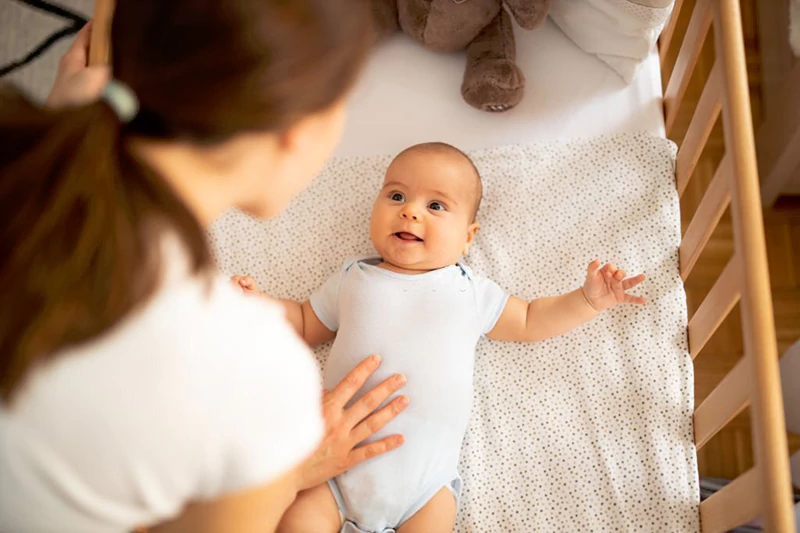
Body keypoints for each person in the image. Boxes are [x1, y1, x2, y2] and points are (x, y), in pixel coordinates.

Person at [0, 3, 411, 532]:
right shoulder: (254, 372)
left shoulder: (26, 159)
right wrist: (294, 472)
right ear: (295, 132)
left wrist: (65, 112)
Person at [231, 142, 647, 533]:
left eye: (435, 205)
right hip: (330, 474)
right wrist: (258, 304)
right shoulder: (352, 277)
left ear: (468, 236)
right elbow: (304, 322)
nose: (410, 212)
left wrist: (587, 301)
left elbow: (531, 320)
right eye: (396, 197)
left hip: (424, 489)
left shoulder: (471, 291)